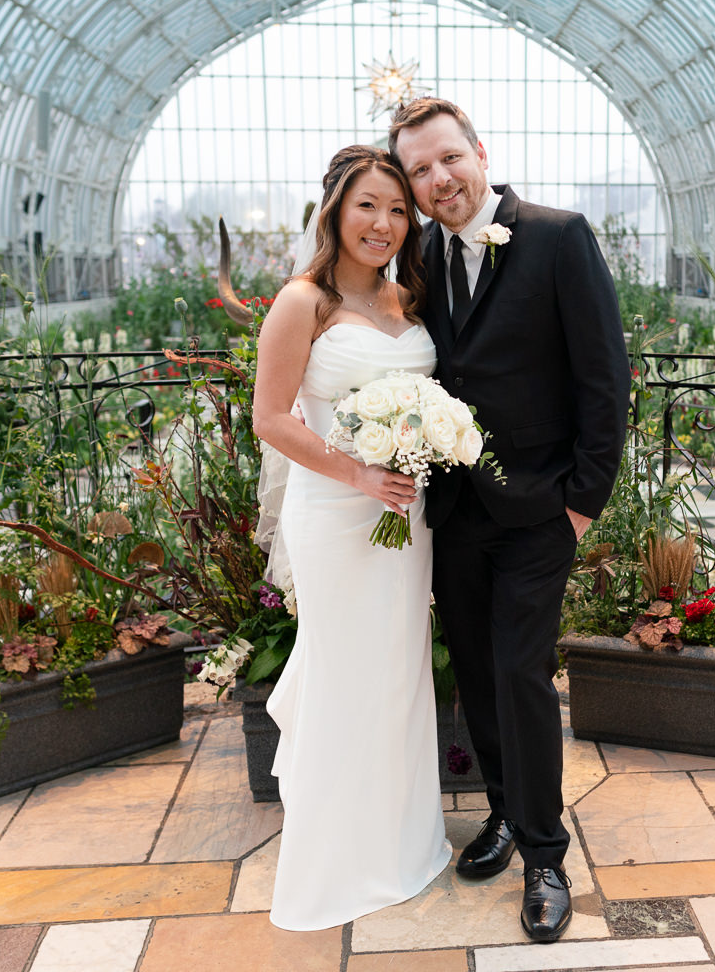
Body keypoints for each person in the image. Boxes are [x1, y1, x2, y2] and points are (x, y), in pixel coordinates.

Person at [388, 98, 630, 943]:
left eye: (447, 158)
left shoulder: (559, 237)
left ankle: (545, 854)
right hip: (453, 510)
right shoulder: (414, 255)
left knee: (522, 673)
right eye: (418, 170)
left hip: (539, 511)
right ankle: (499, 810)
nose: (437, 179)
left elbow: (606, 378)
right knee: (480, 675)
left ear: (479, 152)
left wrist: (581, 505)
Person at [252, 145, 451, 931]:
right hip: (337, 517)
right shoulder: (305, 301)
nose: (384, 223)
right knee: (345, 673)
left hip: (408, 517)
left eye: (399, 209)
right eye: (368, 204)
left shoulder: (411, 300)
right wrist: (359, 476)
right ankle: (335, 861)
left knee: (400, 673)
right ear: (335, 208)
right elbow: (270, 418)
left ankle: (404, 845)